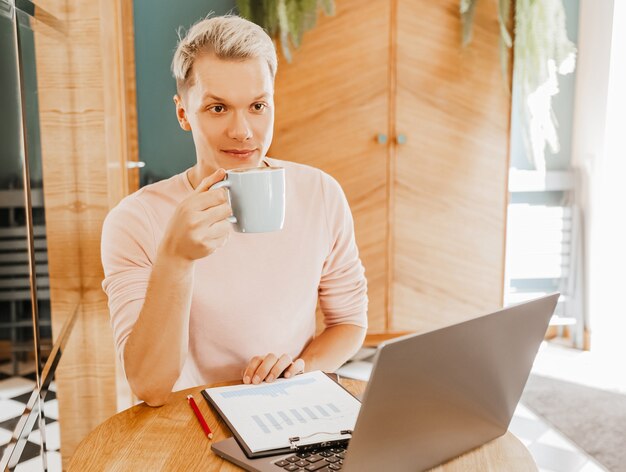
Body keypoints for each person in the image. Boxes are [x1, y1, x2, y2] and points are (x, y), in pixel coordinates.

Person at [101, 15, 368, 407]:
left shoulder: (321, 194)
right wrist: (175, 259)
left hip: (290, 406)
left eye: (257, 105)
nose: (243, 130)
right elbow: (150, 386)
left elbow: (349, 322)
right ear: (182, 113)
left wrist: (298, 369)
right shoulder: (135, 221)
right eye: (218, 108)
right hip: (188, 421)